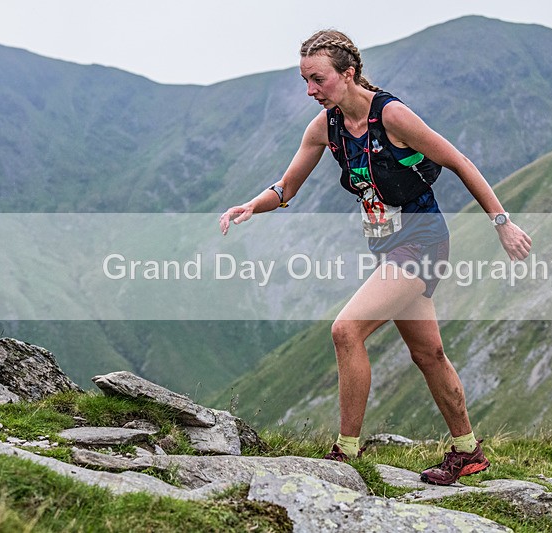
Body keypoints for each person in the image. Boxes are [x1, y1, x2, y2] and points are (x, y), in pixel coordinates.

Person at [219, 30, 532, 485]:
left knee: (346, 330)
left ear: (348, 74)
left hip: (422, 240)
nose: (311, 90)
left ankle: (346, 452)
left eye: (318, 79)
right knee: (428, 354)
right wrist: (253, 205)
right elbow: (286, 187)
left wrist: (503, 224)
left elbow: (460, 161)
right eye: (305, 80)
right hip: (388, 245)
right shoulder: (325, 127)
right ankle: (468, 453)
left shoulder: (393, 116)